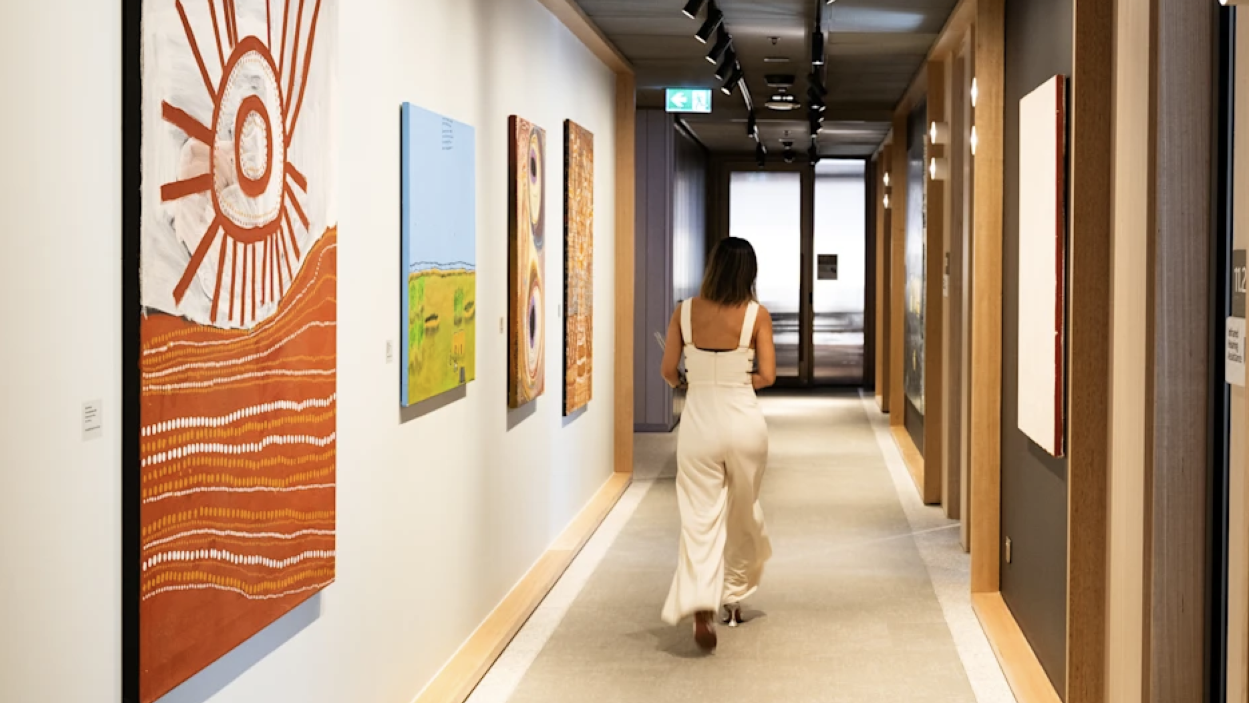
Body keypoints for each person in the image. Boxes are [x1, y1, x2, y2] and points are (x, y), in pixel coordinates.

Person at [659, 237, 776, 652]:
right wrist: (737, 379)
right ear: (749, 273)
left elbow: (668, 370)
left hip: (699, 425)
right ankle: (734, 599)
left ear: (712, 268)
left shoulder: (685, 312)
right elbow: (768, 375)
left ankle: (701, 603)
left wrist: (690, 380)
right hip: (744, 421)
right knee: (743, 510)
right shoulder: (757, 315)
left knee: (699, 516)